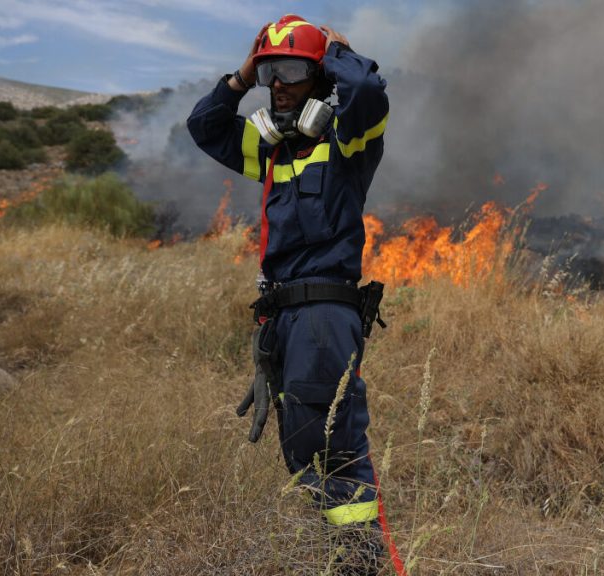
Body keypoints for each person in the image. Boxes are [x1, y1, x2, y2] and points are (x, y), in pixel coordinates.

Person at [187, 13, 389, 567]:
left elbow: (368, 89)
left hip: (325, 312)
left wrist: (336, 52)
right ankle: (344, 554)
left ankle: (360, 562)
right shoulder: (272, 149)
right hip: (285, 317)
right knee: (303, 445)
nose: (278, 83)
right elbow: (204, 126)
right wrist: (241, 75)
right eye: (271, 72)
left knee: (331, 444)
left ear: (320, 79)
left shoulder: (349, 142)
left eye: (293, 71)